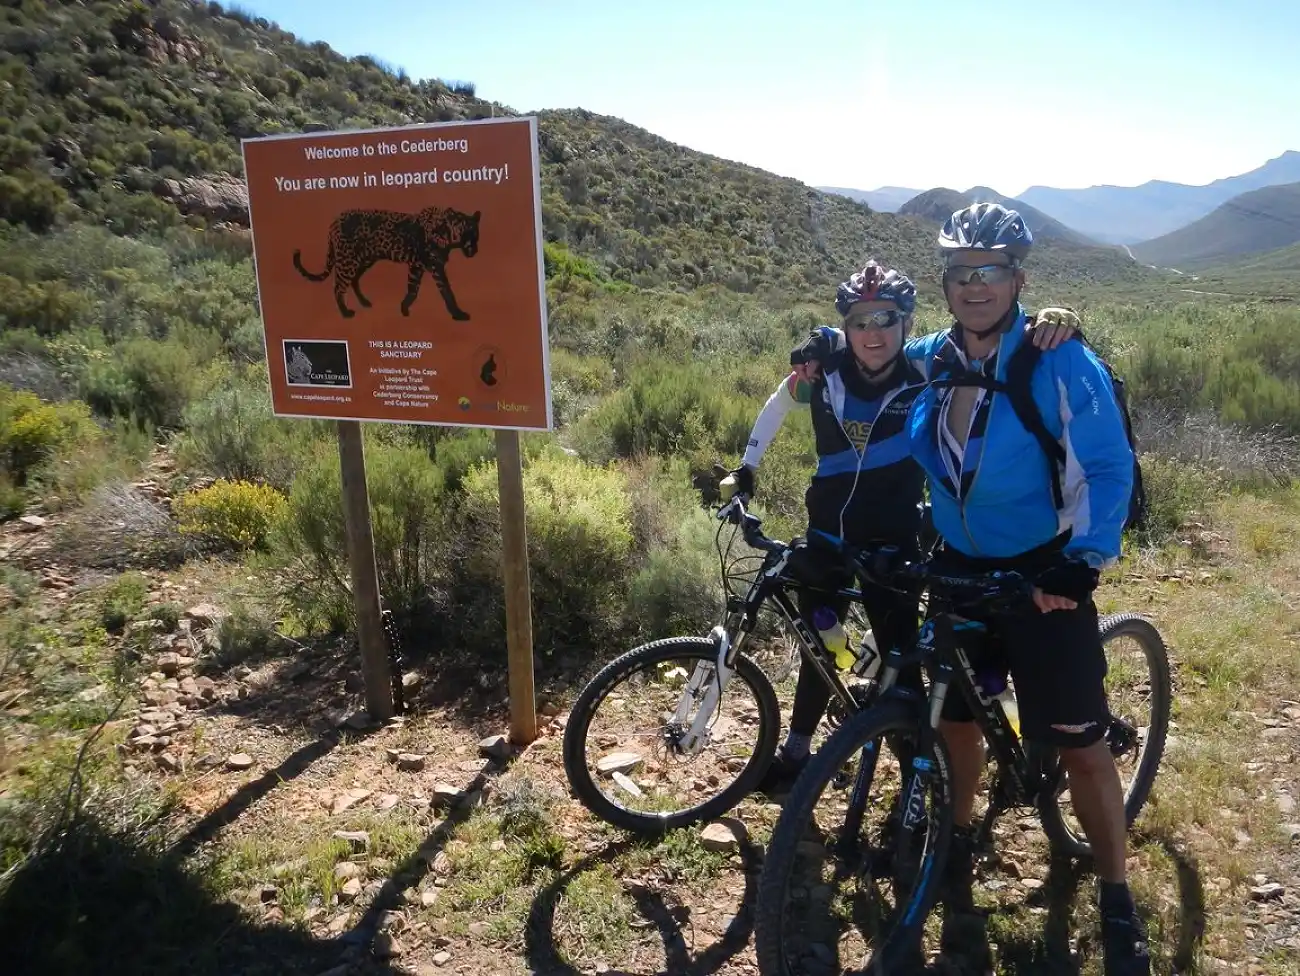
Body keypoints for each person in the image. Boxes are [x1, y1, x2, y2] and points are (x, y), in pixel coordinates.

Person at [723, 257, 1079, 797]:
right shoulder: (826, 372)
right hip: (828, 532)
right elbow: (777, 404)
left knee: (901, 657)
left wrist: (1056, 322)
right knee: (817, 644)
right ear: (845, 327)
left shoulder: (928, 370)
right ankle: (798, 749)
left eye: (886, 319)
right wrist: (748, 466)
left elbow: (991, 344)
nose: (873, 333)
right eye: (860, 321)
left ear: (907, 324)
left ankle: (924, 769)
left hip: (893, 541)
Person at [905, 202, 1148, 975]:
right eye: (960, 273)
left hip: (1046, 574)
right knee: (957, 726)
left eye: (991, 272)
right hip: (960, 571)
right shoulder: (934, 355)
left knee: (1080, 748)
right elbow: (871, 350)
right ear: (945, 284)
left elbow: (1110, 467)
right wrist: (822, 354)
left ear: (1018, 279)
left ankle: (1115, 893)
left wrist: (1080, 565)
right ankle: (964, 833)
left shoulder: (1058, 358)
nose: (974, 287)